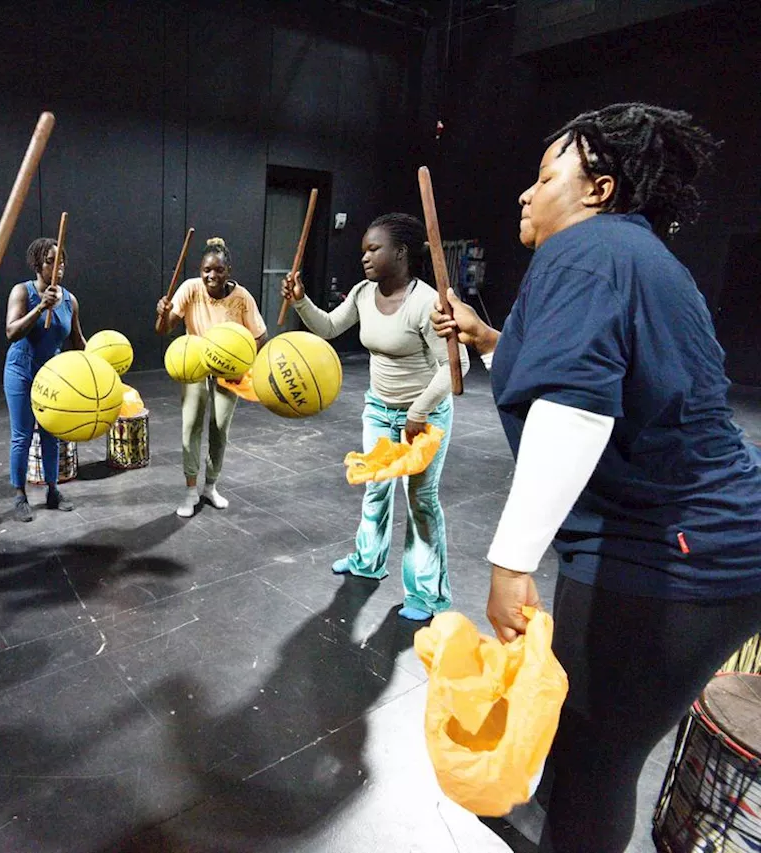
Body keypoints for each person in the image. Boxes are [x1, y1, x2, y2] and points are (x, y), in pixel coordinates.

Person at [431, 103, 761, 853]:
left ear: (599, 190)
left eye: (545, 176)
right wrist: (488, 338)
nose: (526, 192)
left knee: (597, 757)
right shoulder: (624, 253)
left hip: (678, 552)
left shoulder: (586, 251)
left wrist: (510, 560)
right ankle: (543, 820)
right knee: (582, 731)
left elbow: (575, 409)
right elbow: (593, 371)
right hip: (679, 538)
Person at [281, 214, 469, 621]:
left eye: (373, 249)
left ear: (400, 253)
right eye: (363, 249)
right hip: (379, 410)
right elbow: (329, 327)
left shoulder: (426, 303)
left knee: (421, 501)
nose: (364, 257)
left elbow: (456, 366)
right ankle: (368, 561)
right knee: (375, 489)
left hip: (426, 417)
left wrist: (418, 412)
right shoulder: (364, 293)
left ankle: (426, 595)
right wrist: (299, 299)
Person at [155, 237, 267, 518]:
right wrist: (164, 314)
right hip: (195, 366)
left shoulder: (242, 298)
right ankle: (190, 490)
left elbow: (261, 336)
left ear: (228, 270)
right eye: (206, 270)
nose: (211, 276)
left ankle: (211, 487)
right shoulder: (190, 289)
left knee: (220, 430)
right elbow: (163, 329)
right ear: (200, 270)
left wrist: (243, 362)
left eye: (218, 270)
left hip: (228, 373)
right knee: (190, 425)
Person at [4, 237, 87, 521]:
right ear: (37, 264)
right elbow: (11, 332)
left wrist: (98, 366)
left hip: (52, 377)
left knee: (53, 434)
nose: (59, 266)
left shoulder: (70, 300)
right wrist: (40, 307)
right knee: (22, 436)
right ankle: (19, 495)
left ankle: (53, 490)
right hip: (20, 371)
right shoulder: (22, 292)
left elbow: (78, 342)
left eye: (61, 260)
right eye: (52, 261)